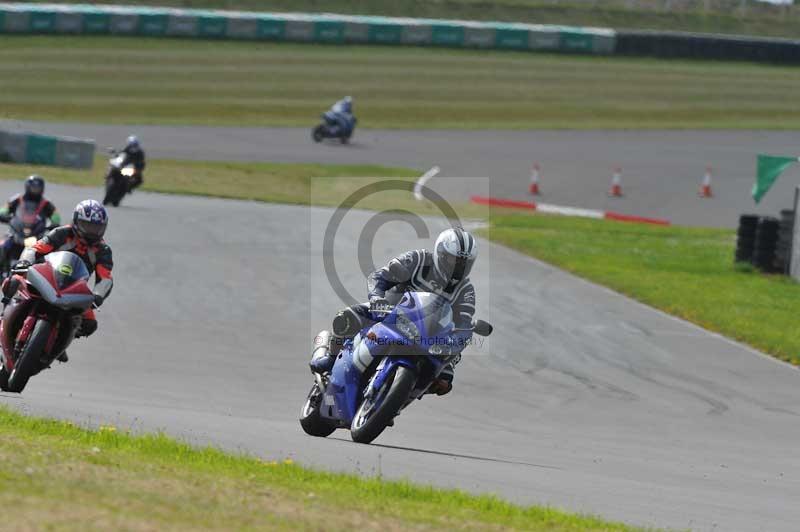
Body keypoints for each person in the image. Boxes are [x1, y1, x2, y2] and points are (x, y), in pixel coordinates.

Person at [311, 227, 478, 396]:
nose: (458, 267)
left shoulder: (466, 290)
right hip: (389, 313)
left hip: (427, 337)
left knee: (443, 379)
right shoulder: (418, 259)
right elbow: (379, 277)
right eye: (453, 260)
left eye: (464, 263)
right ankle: (331, 359)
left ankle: (394, 401)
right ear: (440, 254)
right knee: (347, 317)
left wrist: (451, 352)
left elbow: (463, 326)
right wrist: (377, 298)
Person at [15, 200, 113, 363]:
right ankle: (5, 315)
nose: (92, 232)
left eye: (96, 228)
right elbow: (36, 248)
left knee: (90, 323)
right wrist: (25, 262)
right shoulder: (62, 233)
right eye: (87, 226)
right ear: (76, 221)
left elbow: (106, 277)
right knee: (14, 281)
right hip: (45, 275)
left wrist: (98, 295)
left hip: (73, 288)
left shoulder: (103, 250)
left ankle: (60, 343)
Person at [0, 175, 61, 267]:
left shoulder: (47, 203)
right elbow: (4, 209)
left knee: (49, 254)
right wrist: (4, 215)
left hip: (37, 234)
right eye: (33, 188)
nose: (35, 190)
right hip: (16, 231)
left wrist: (54, 223)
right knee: (3, 246)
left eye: (37, 188)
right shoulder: (17, 199)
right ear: (27, 187)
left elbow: (56, 216)